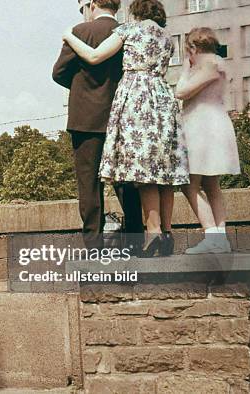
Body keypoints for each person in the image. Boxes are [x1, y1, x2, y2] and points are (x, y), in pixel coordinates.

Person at [62, 0, 190, 258]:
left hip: (130, 106)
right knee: (158, 173)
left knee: (127, 175)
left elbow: (90, 58)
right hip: (162, 102)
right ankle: (160, 233)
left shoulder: (126, 31)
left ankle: (115, 243)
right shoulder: (166, 37)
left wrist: (68, 36)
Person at [52, 0, 144, 253]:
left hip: (85, 119)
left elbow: (58, 72)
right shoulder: (125, 33)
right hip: (120, 117)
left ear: (92, 5)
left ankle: (94, 245)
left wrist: (82, 87)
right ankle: (136, 242)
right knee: (126, 181)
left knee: (89, 184)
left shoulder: (80, 33)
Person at [175, 28, 240, 254]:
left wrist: (185, 70)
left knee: (188, 184)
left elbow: (181, 92)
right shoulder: (219, 61)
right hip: (217, 123)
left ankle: (212, 235)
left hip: (202, 127)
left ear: (193, 48)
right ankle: (220, 238)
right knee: (212, 184)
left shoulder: (208, 64)